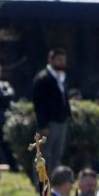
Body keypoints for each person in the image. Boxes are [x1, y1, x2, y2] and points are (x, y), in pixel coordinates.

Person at [32, 48, 72, 178]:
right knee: (44, 154)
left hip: (61, 121)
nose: (61, 62)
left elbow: (64, 99)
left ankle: (54, 181)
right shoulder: (43, 78)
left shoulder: (62, 78)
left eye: (63, 60)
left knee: (57, 154)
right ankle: (39, 181)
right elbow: (38, 104)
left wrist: (68, 115)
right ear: (51, 59)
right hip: (49, 123)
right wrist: (43, 125)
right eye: (59, 59)